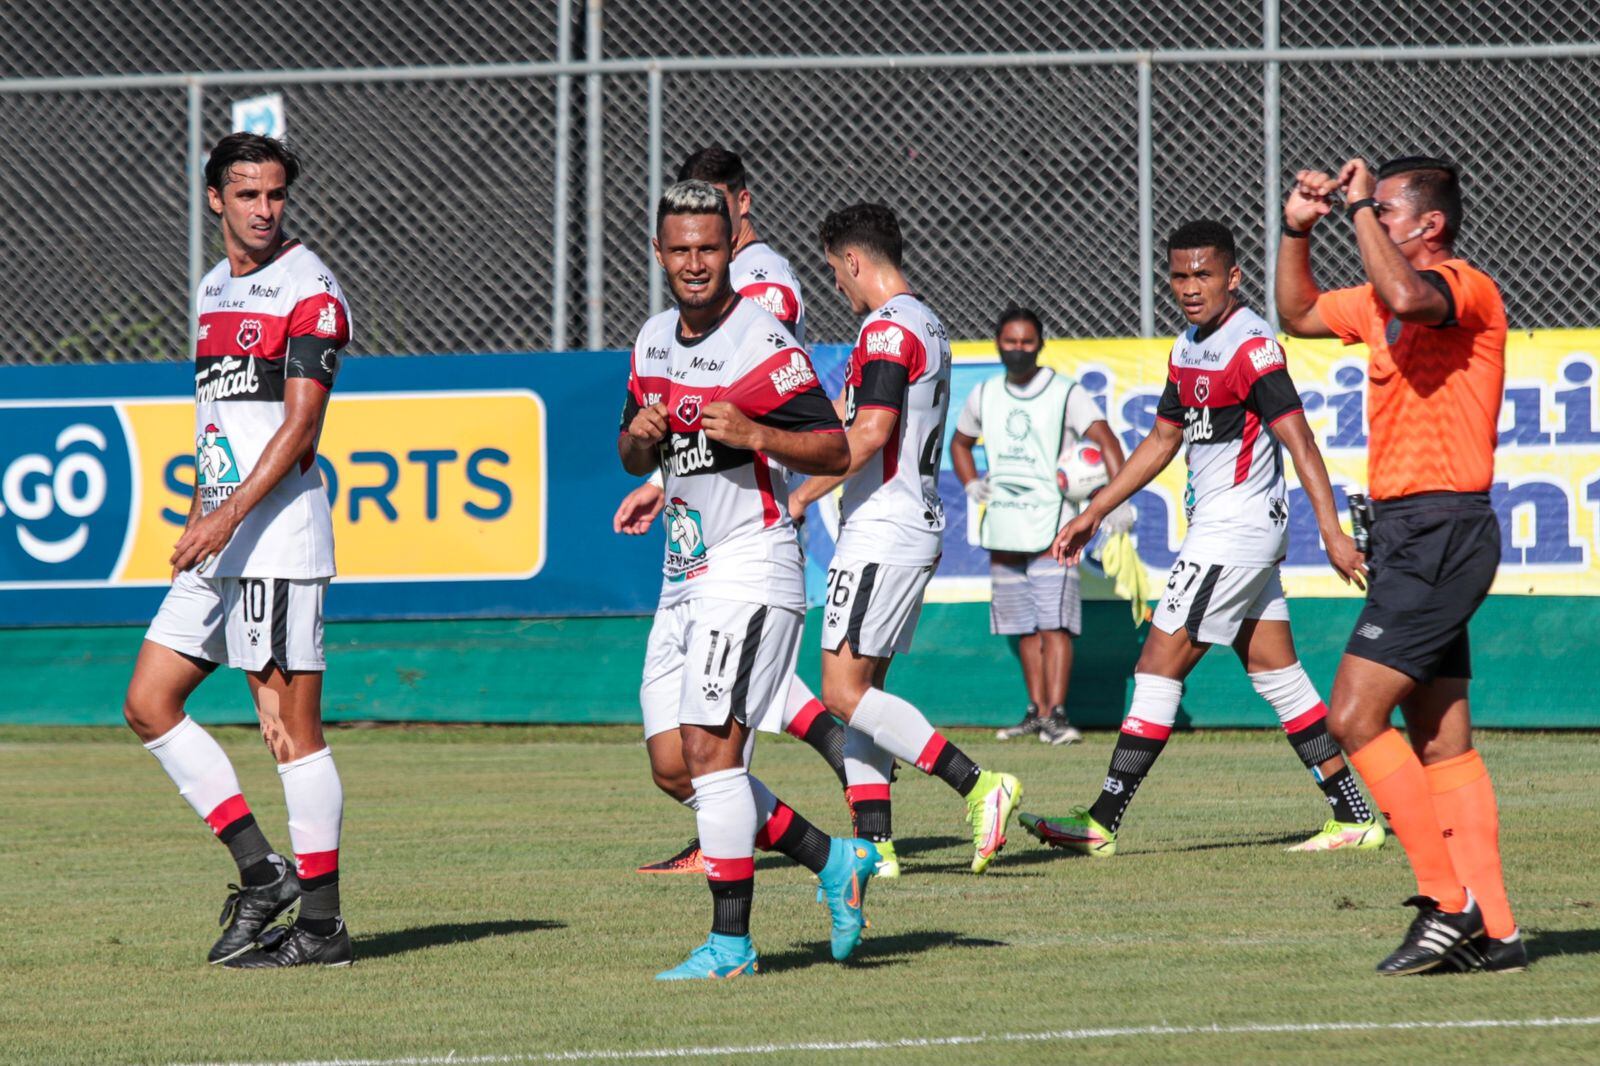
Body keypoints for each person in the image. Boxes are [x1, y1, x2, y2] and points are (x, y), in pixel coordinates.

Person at [1020, 219, 1383, 857]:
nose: (1190, 287)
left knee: (1156, 667)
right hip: (1235, 534)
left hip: (1232, 532)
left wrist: (1331, 532)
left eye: (1204, 274)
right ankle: (1353, 815)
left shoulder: (1252, 346)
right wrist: (1096, 510)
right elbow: (1163, 439)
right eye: (1179, 275)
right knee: (1277, 674)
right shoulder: (1187, 347)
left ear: (1233, 277)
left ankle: (1101, 822)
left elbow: (1300, 440)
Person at [613, 146, 899, 877]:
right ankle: (835, 860)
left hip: (746, 561)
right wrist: (643, 447)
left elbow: (832, 448)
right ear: (659, 253)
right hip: (682, 571)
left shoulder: (762, 321)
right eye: (681, 250)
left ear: (732, 237)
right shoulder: (652, 339)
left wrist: (755, 434)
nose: (695, 262)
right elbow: (637, 450)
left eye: (708, 248)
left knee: (711, 755)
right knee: (674, 768)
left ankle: (730, 931)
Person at [1277, 156, 1519, 974]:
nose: (1371, 217)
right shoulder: (1378, 298)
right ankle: (1499, 931)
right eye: (1371, 208)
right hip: (1410, 536)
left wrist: (1353, 211)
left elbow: (1413, 298)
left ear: (1430, 224)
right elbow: (1298, 312)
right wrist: (1296, 229)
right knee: (1441, 740)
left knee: (1351, 716)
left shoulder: (1463, 286)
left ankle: (1448, 903)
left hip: (1443, 529)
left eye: (1384, 209)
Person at [121, 133, 354, 968]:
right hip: (221, 538)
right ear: (215, 197)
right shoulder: (213, 287)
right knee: (148, 702)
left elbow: (300, 429)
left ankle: (322, 927)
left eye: (275, 194)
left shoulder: (311, 289)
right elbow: (216, 424)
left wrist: (224, 521)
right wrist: (200, 514)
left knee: (290, 733)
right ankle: (261, 871)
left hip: (277, 542)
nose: (264, 209)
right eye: (247, 194)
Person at [788, 203, 1023, 874]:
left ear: (853, 260)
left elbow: (868, 434)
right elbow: (848, 414)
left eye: (834, 271)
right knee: (865, 693)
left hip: (883, 529)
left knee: (842, 692)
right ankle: (876, 843)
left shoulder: (888, 329)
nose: (837, 284)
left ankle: (979, 786)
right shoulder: (926, 323)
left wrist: (799, 497)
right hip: (904, 526)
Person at [949, 306, 1129, 745]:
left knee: (1055, 624)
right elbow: (960, 443)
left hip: (1055, 527)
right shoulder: (985, 394)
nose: (1018, 350)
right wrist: (971, 482)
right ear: (998, 344)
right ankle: (1036, 711)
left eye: (1027, 342)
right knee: (1022, 627)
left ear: (1041, 344)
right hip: (1004, 529)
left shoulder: (1067, 393)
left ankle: (1057, 715)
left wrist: (1114, 501)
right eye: (1010, 342)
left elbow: (1107, 441)